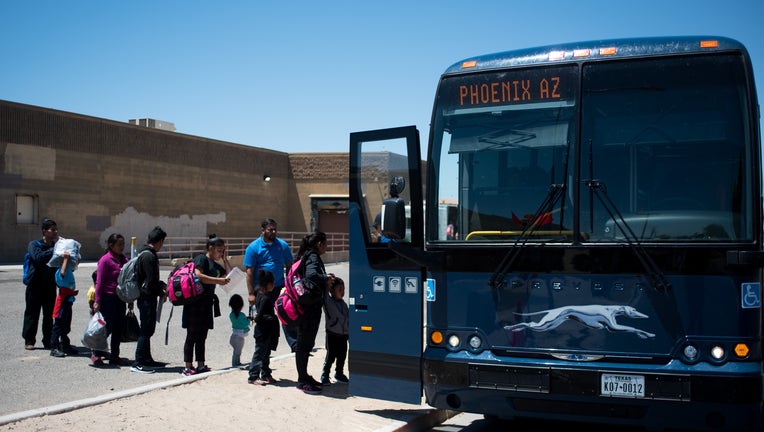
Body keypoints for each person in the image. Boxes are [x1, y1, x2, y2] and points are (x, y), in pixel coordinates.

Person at [181, 234, 231, 376]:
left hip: (207, 304)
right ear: (210, 248)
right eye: (219, 250)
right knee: (192, 335)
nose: (220, 253)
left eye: (222, 251)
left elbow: (228, 276)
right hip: (195, 303)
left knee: (202, 336)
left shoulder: (216, 265)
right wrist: (217, 280)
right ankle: (188, 366)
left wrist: (225, 260)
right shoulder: (201, 258)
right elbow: (198, 275)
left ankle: (201, 364)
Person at [243, 218, 297, 351]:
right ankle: (263, 347)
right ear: (262, 230)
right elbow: (249, 272)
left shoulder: (282, 245)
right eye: (270, 229)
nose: (273, 232)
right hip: (262, 289)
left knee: (286, 313)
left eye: (275, 229)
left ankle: (295, 344)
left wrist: (289, 286)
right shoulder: (253, 247)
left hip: (279, 286)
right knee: (265, 319)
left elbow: (289, 266)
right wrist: (251, 294)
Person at [293, 231, 335, 394]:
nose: (327, 247)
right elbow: (311, 275)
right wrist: (325, 278)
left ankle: (304, 376)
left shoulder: (306, 255)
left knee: (305, 343)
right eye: (325, 243)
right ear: (319, 244)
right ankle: (302, 380)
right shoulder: (313, 257)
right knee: (304, 344)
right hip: (309, 308)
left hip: (306, 307)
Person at [131, 226, 169, 374]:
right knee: (146, 330)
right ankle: (139, 361)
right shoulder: (149, 256)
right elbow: (151, 281)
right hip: (147, 297)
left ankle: (147, 359)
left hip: (146, 296)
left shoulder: (145, 254)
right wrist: (161, 291)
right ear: (159, 241)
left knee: (148, 329)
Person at [93, 233, 130, 366]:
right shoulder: (105, 260)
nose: (122, 247)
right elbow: (99, 282)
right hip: (108, 297)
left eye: (123, 244)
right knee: (106, 327)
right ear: (111, 245)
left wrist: (130, 300)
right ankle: (96, 353)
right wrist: (97, 300)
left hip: (120, 298)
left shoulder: (124, 260)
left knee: (118, 328)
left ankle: (115, 356)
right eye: (119, 244)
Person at [22, 218, 59, 350]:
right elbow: (38, 258)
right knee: (32, 313)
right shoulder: (34, 245)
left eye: (56, 229)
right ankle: (29, 340)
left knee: (49, 314)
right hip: (35, 284)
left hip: (50, 285)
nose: (55, 232)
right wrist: (55, 251)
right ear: (44, 231)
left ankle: (48, 340)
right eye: (52, 230)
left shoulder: (57, 246)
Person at [248, 270, 279, 385]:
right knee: (260, 354)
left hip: (264, 331)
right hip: (263, 331)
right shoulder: (265, 298)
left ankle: (266, 374)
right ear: (268, 284)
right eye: (273, 283)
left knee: (265, 354)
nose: (274, 285)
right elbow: (260, 315)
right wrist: (270, 318)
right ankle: (253, 376)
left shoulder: (258, 292)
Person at [50, 251, 79, 357]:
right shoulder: (59, 271)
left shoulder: (69, 270)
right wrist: (66, 259)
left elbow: (75, 265)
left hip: (68, 300)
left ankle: (65, 344)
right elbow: (62, 273)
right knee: (58, 324)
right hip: (62, 301)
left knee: (66, 324)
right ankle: (54, 347)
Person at [321, 277, 349, 385]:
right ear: (331, 291)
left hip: (343, 335)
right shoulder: (328, 302)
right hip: (332, 335)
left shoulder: (344, 304)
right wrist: (326, 283)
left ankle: (339, 374)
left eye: (343, 289)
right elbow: (324, 294)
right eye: (339, 290)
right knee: (331, 355)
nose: (342, 292)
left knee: (342, 355)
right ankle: (325, 375)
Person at [228, 294, 250, 369]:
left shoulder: (231, 314)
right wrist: (248, 319)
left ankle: (236, 363)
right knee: (237, 352)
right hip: (239, 338)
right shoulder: (242, 315)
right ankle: (235, 364)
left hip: (233, 336)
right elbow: (246, 323)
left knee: (235, 351)